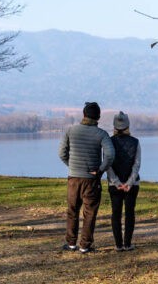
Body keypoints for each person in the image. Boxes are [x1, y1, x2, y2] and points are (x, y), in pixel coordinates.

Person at [59, 102, 115, 254]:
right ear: (98, 117)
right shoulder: (102, 134)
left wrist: (72, 166)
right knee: (89, 213)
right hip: (91, 180)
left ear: (83, 115)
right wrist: (101, 170)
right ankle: (85, 245)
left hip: (73, 178)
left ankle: (71, 243)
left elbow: (62, 153)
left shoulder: (70, 130)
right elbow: (110, 155)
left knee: (72, 210)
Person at [107, 111, 141, 252]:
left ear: (114, 126)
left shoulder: (109, 142)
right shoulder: (135, 142)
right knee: (129, 213)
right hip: (132, 186)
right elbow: (137, 164)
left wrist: (116, 182)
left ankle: (118, 245)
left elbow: (107, 164)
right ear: (128, 125)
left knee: (116, 213)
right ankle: (127, 244)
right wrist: (129, 182)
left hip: (114, 185)